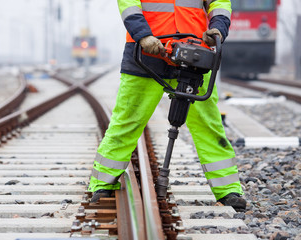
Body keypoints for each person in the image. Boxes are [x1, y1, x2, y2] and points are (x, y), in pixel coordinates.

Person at [88, 0, 246, 211]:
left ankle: (228, 191)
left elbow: (219, 2)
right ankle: (102, 185)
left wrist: (218, 27)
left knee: (208, 123)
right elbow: (129, 4)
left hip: (196, 53)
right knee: (127, 120)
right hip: (147, 52)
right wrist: (143, 35)